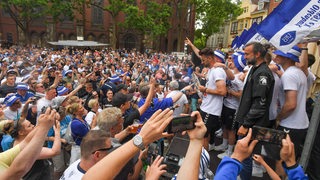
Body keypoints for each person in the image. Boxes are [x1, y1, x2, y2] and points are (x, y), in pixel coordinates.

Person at [82, 108, 175, 179]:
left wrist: (128, 132)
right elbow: (132, 177)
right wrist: (142, 159)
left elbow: (113, 139)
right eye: (120, 123)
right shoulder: (112, 152)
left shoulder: (95, 135)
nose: (123, 122)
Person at [234, 42, 274, 179]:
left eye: (247, 54)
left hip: (252, 125)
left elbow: (259, 104)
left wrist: (246, 125)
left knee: (245, 156)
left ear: (257, 54)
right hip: (247, 121)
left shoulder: (263, 73)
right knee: (244, 155)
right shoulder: (255, 68)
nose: (244, 57)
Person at [0, 108, 58, 179]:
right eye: (29, 126)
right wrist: (56, 130)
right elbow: (18, 171)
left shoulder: (14, 143)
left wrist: (42, 124)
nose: (33, 126)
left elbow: (26, 142)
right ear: (21, 132)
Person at [196, 47, 227, 150]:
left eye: (203, 60)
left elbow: (222, 91)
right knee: (206, 135)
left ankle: (203, 163)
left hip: (211, 110)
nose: (202, 62)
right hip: (207, 107)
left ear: (209, 58)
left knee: (203, 137)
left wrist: (205, 90)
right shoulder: (212, 70)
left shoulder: (218, 71)